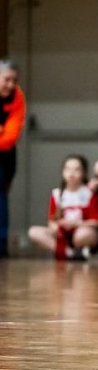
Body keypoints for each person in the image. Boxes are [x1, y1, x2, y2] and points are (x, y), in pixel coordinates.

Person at [28, 155, 98, 261]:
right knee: (34, 232)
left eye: (76, 169)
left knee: (82, 234)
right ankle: (69, 252)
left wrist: (75, 224)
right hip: (63, 234)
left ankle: (80, 250)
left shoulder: (89, 193)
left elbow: (96, 222)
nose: (71, 173)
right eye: (67, 169)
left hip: (82, 232)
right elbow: (52, 221)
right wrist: (58, 227)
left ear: (84, 173)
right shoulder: (57, 194)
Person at [0, 60, 25, 258]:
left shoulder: (17, 98)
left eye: (14, 80)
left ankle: (1, 242)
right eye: (6, 79)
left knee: (1, 194)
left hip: (5, 155)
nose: (10, 84)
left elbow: (9, 137)